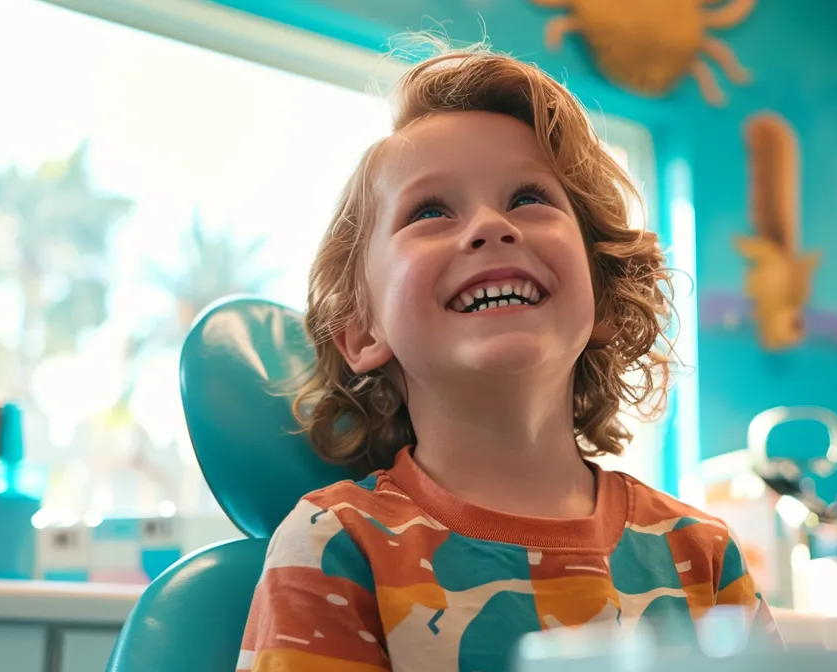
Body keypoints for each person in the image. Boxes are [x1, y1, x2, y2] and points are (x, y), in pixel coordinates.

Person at [238, 43, 779, 672]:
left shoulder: (706, 558)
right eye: (430, 211)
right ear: (362, 333)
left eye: (528, 198)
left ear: (601, 297)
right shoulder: (335, 545)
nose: (493, 226)